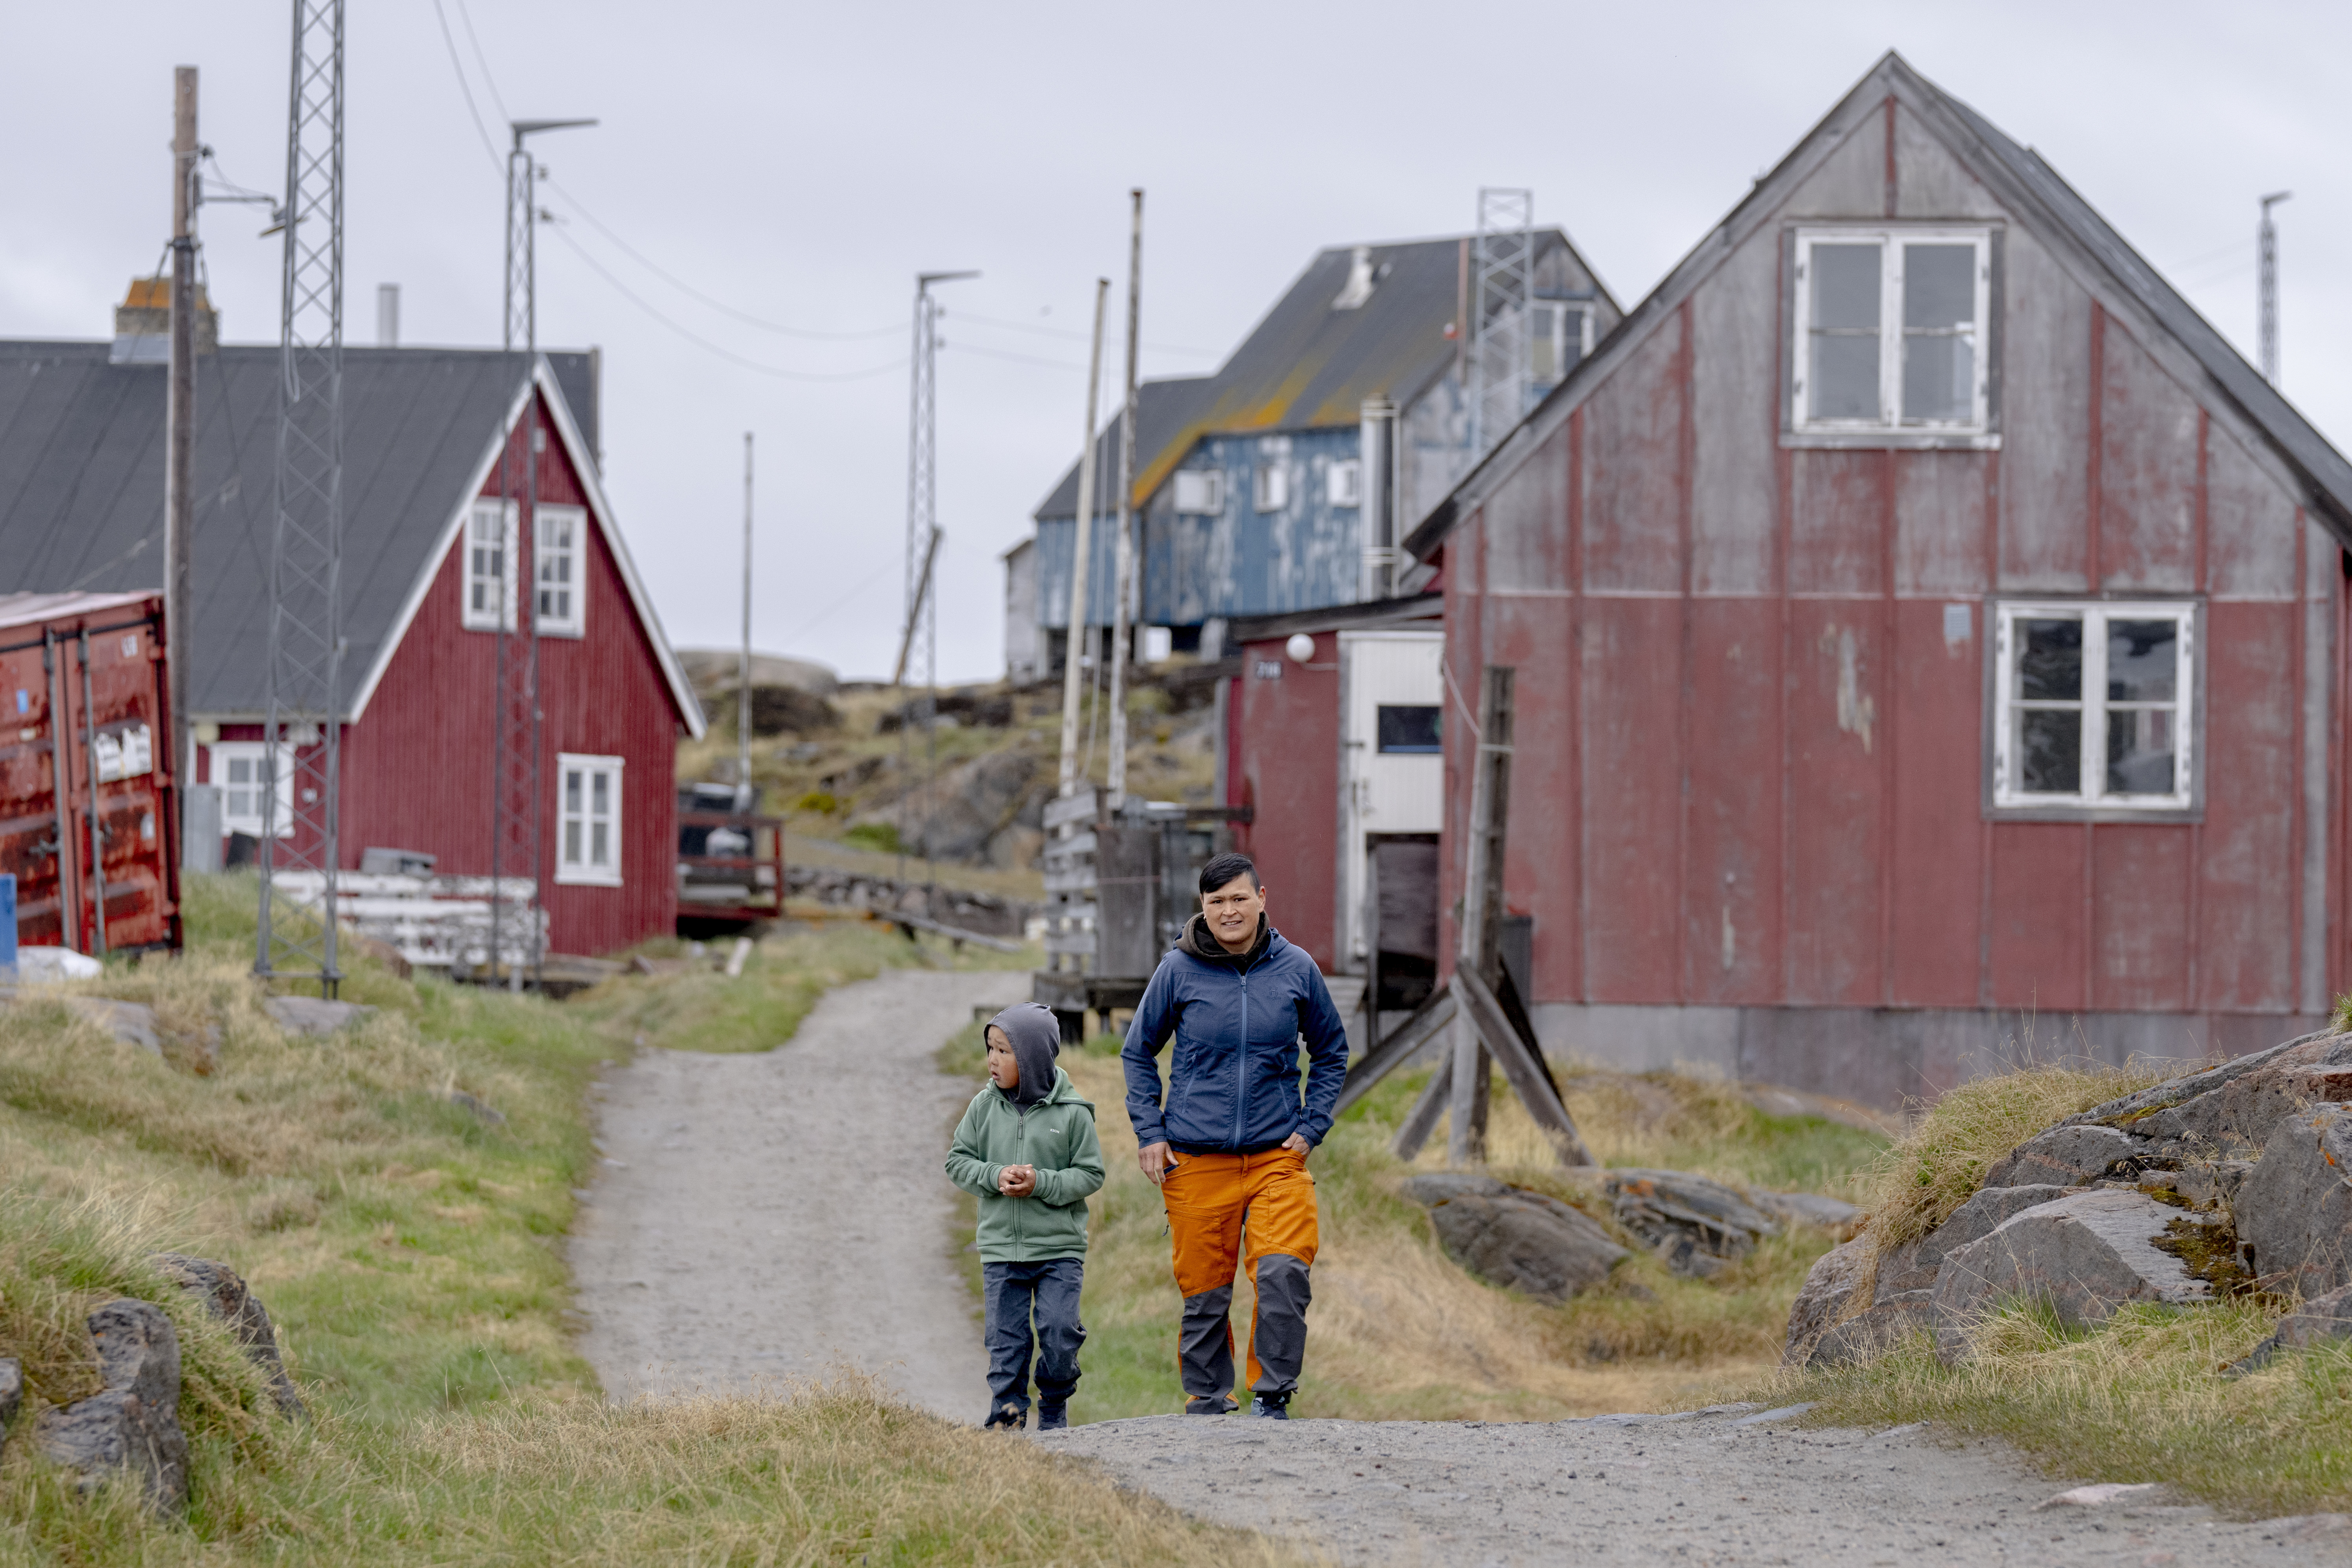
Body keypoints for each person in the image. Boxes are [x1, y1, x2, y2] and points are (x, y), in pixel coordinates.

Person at [1120, 852, 1349, 1419]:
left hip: (1277, 1156)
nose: (1229, 911)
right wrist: (1151, 1132)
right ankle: (1208, 1394)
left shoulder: (1297, 968)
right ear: (1203, 907)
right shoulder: (1177, 970)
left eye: (1239, 898)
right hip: (1196, 1156)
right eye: (1217, 901)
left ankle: (1272, 1393)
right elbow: (1138, 1051)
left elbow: (1331, 1053)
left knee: (1283, 1271)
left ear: (1262, 898)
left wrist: (1311, 1126)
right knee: (1204, 1289)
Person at [944, 1001, 1106, 1431]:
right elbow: (957, 1162)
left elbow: (1090, 1174)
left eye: (1003, 1051)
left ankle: (1053, 1402)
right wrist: (995, 1176)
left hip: (1058, 1249)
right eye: (990, 1049)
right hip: (1001, 1250)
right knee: (1005, 1342)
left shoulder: (1073, 1113)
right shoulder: (982, 1107)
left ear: (1033, 1058)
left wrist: (1043, 1184)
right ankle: (1008, 1416)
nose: (992, 1061)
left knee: (1058, 1333)